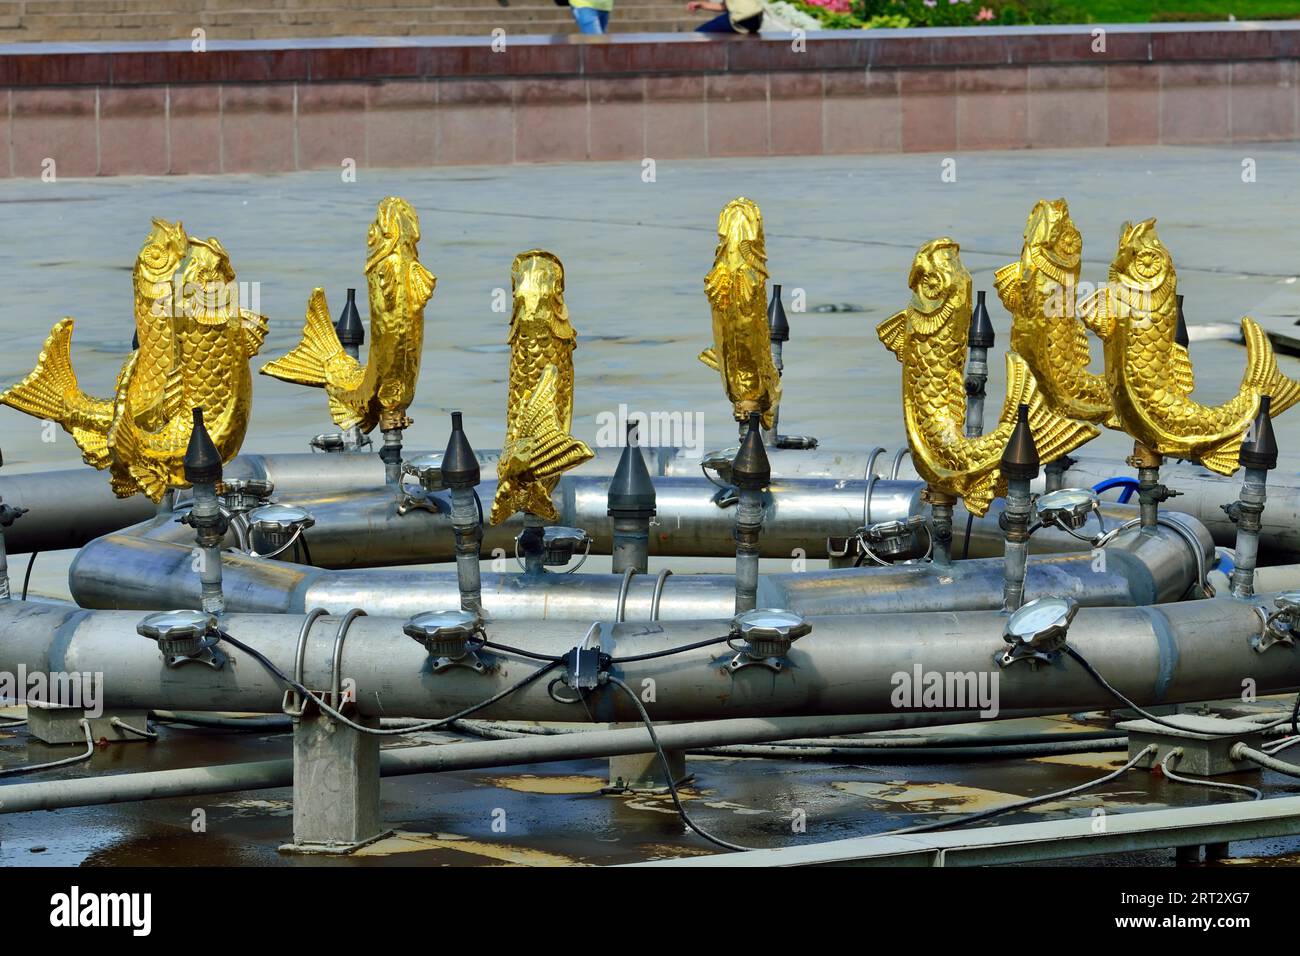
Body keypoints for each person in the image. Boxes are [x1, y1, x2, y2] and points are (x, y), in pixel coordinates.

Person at [687, 0, 763, 34]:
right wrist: (702, 5)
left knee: (700, 33)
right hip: (755, 20)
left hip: (740, 19)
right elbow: (725, 6)